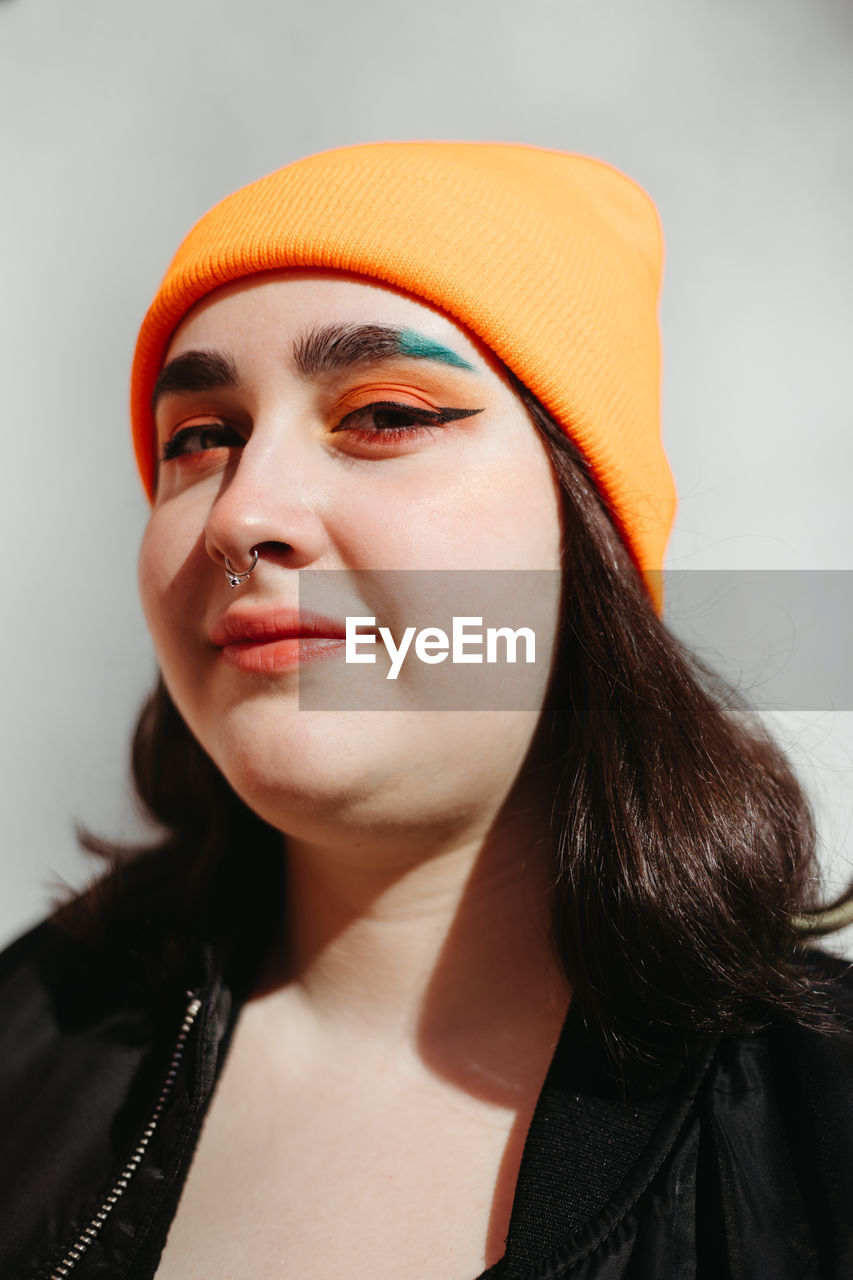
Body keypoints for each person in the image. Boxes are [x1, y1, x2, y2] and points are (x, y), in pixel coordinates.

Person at [1, 141, 851, 1280]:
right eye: (198, 437)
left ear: (587, 529)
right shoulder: (23, 1044)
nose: (241, 511)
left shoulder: (817, 1124)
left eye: (385, 412)